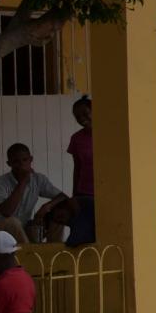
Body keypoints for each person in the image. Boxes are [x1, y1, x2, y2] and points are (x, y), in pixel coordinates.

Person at [0, 142, 74, 245]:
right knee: (12, 222)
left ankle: (53, 253)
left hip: (24, 231)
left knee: (59, 212)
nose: (21, 164)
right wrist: (23, 182)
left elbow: (63, 197)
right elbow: (7, 212)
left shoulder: (38, 179)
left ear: (31, 159)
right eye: (16, 162)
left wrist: (46, 207)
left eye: (25, 160)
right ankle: (28, 255)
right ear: (9, 164)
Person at [64, 96, 96, 247]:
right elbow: (77, 168)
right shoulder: (76, 138)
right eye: (77, 117)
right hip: (84, 192)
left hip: (105, 193)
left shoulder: (110, 134)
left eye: (85, 114)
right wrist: (75, 194)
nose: (82, 119)